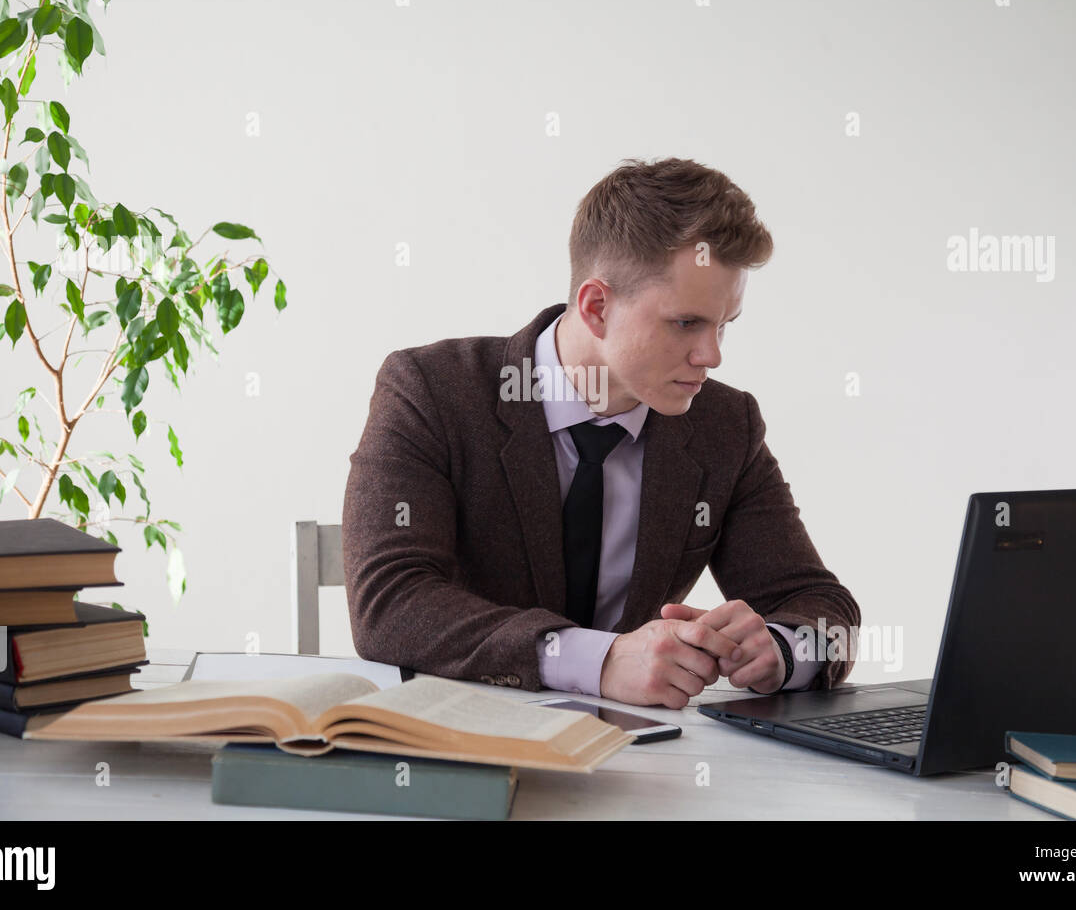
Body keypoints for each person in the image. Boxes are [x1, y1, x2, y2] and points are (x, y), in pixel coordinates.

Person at [342, 157, 861, 709]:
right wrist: (599, 659)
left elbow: (822, 606)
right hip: (460, 743)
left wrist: (780, 647)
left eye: (723, 325)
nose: (711, 355)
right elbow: (390, 603)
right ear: (596, 306)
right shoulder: (432, 390)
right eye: (686, 323)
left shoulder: (725, 426)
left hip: (642, 758)